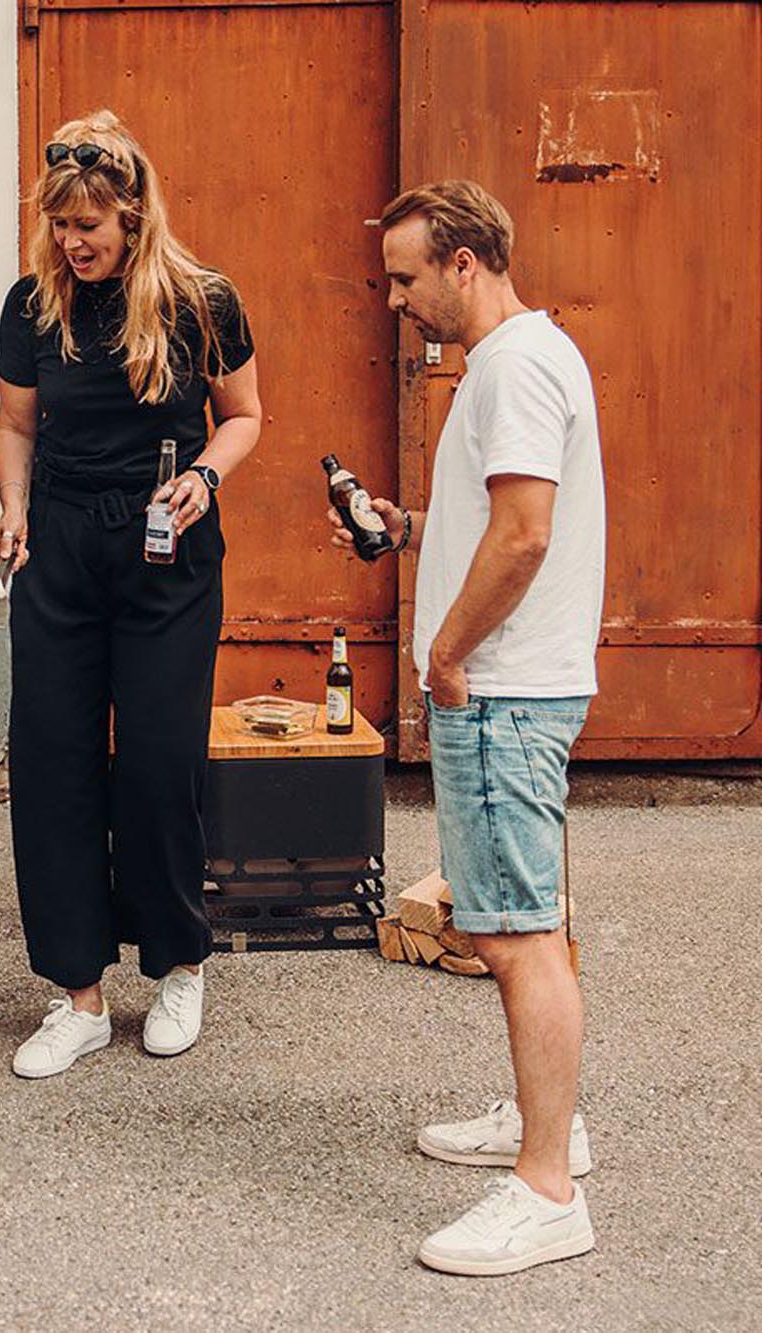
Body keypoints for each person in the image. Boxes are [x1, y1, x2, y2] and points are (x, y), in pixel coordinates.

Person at [337, 180, 604, 1275]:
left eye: (405, 277)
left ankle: (544, 1188)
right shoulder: (517, 361)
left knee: (513, 932)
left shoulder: (512, 367)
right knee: (513, 918)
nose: (394, 299)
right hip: (509, 682)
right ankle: (551, 1127)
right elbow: (494, 519)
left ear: (461, 262)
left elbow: (526, 535)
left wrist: (444, 658)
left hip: (497, 687)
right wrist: (397, 527)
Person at [0, 110, 261, 1079]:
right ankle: (74, 996)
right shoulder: (31, 305)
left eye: (90, 226)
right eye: (61, 225)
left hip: (166, 542)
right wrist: (12, 508)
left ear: (133, 215)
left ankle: (177, 965)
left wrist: (206, 478)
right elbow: (13, 426)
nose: (74, 242)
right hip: (58, 542)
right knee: (53, 765)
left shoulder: (201, 300)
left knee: (156, 763)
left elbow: (243, 416)